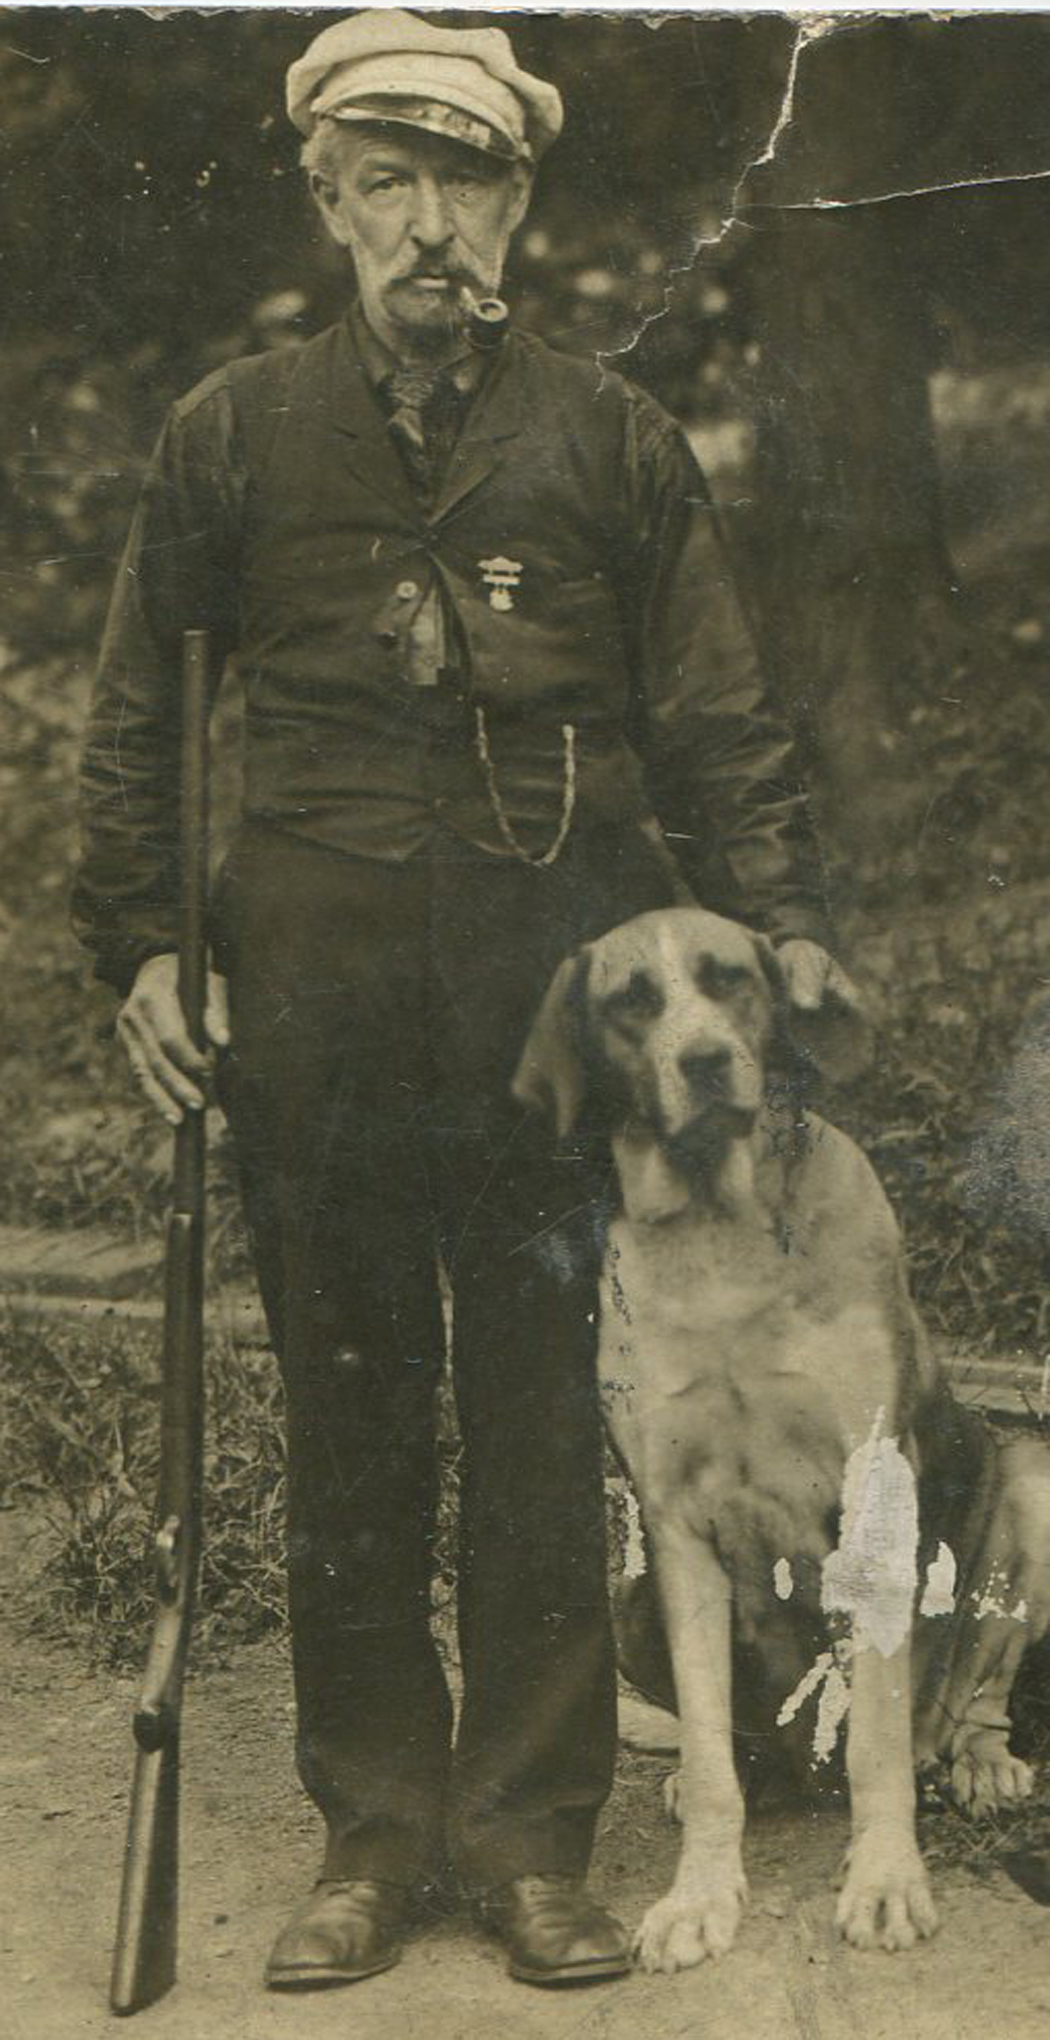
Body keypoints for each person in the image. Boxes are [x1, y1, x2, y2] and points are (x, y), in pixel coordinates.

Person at [74, 9, 857, 1993]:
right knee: (348, 1412)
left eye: (467, 183)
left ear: (518, 202)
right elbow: (141, 719)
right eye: (389, 183)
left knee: (533, 1409)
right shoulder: (234, 433)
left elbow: (715, 716)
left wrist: (783, 919)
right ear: (329, 201)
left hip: (548, 1025)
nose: (431, 225)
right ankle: (369, 1832)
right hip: (309, 999)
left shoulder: (606, 437)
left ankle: (525, 1839)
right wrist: (146, 945)